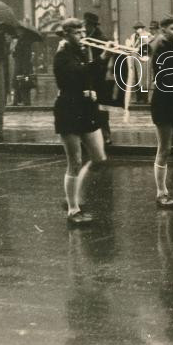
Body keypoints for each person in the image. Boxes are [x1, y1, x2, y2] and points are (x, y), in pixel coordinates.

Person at [53, 18, 112, 226]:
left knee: (99, 158)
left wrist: (92, 89)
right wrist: (103, 57)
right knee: (75, 162)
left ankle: (75, 194)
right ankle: (73, 209)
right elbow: (77, 74)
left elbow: (90, 76)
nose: (82, 36)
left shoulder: (81, 51)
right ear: (67, 34)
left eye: (83, 32)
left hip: (86, 108)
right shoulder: (62, 55)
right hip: (68, 109)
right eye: (77, 33)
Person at [149, 16, 173, 209]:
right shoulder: (162, 48)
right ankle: (161, 193)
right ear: (163, 30)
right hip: (165, 102)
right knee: (164, 148)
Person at [83, 12, 113, 145]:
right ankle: (91, 135)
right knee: (89, 107)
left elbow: (107, 60)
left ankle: (106, 134)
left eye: (86, 25)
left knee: (102, 107)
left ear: (92, 26)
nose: (85, 28)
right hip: (89, 77)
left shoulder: (101, 39)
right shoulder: (86, 38)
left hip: (101, 78)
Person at [124, 22, 150, 104]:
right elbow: (131, 46)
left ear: (143, 28)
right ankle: (138, 98)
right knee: (135, 79)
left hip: (143, 60)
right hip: (134, 59)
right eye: (136, 28)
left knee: (143, 79)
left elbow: (146, 46)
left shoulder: (146, 35)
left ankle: (144, 98)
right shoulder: (133, 36)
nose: (137, 30)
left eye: (139, 28)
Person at [12, 27, 35, 106]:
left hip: (23, 66)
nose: (17, 32)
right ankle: (16, 101)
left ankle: (26, 101)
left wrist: (25, 70)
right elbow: (17, 54)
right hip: (19, 65)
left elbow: (26, 56)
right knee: (17, 82)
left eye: (19, 31)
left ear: (23, 32)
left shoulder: (26, 42)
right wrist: (14, 52)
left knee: (24, 83)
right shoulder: (20, 41)